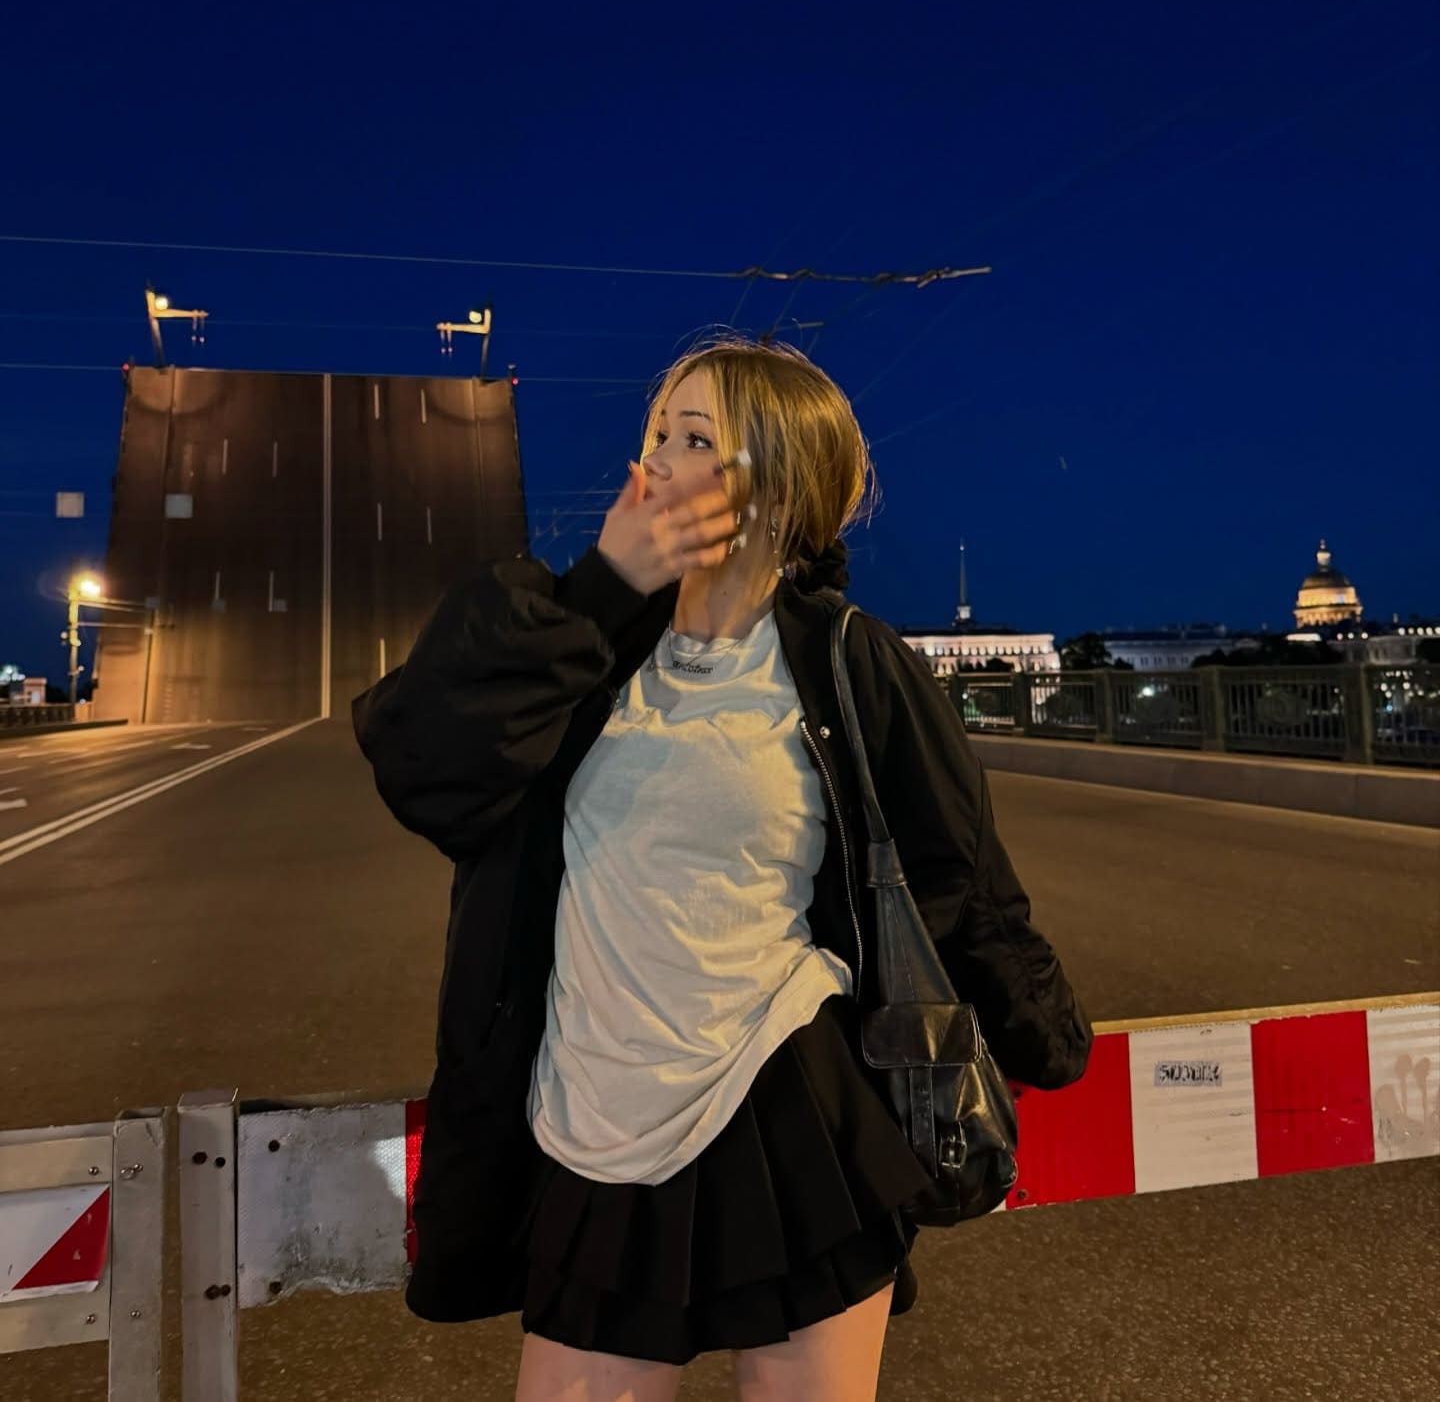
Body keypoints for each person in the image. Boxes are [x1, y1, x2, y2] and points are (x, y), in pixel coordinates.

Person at [352, 334, 1092, 1402]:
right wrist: (604, 589)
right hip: (597, 1117)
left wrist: (1047, 1038)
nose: (655, 459)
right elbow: (422, 761)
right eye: (657, 432)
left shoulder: (844, 659)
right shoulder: (578, 645)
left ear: (780, 492)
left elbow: (958, 877)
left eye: (696, 439)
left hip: (788, 1106)